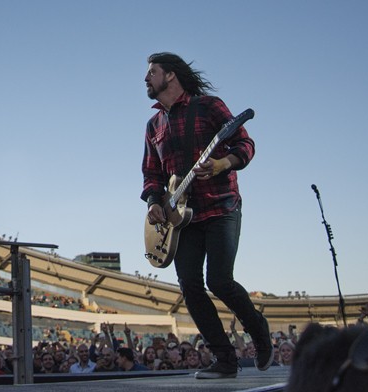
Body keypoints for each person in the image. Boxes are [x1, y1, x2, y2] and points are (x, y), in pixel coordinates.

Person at [141, 52, 272, 379]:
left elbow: (245, 143)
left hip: (221, 206)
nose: (146, 78)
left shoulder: (210, 107)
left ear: (170, 76)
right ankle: (225, 360)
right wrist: (154, 202)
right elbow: (151, 173)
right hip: (181, 220)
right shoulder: (154, 124)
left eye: (152, 72)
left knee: (219, 280)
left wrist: (223, 163)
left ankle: (257, 328)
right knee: (190, 285)